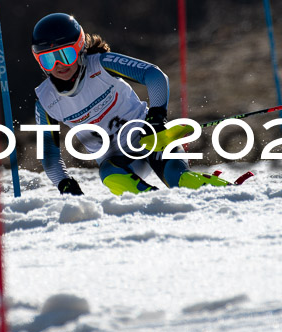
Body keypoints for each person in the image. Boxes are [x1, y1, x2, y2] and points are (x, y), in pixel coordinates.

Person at [31, 12, 233, 196]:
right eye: (48, 60)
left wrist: (156, 117)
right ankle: (153, 203)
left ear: (80, 47)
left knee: (179, 178)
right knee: (110, 174)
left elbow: (155, 76)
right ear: (38, 61)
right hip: (119, 163)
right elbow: (49, 155)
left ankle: (226, 194)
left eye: (66, 55)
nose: (59, 66)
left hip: (152, 139)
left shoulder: (101, 64)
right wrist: (64, 183)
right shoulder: (46, 101)